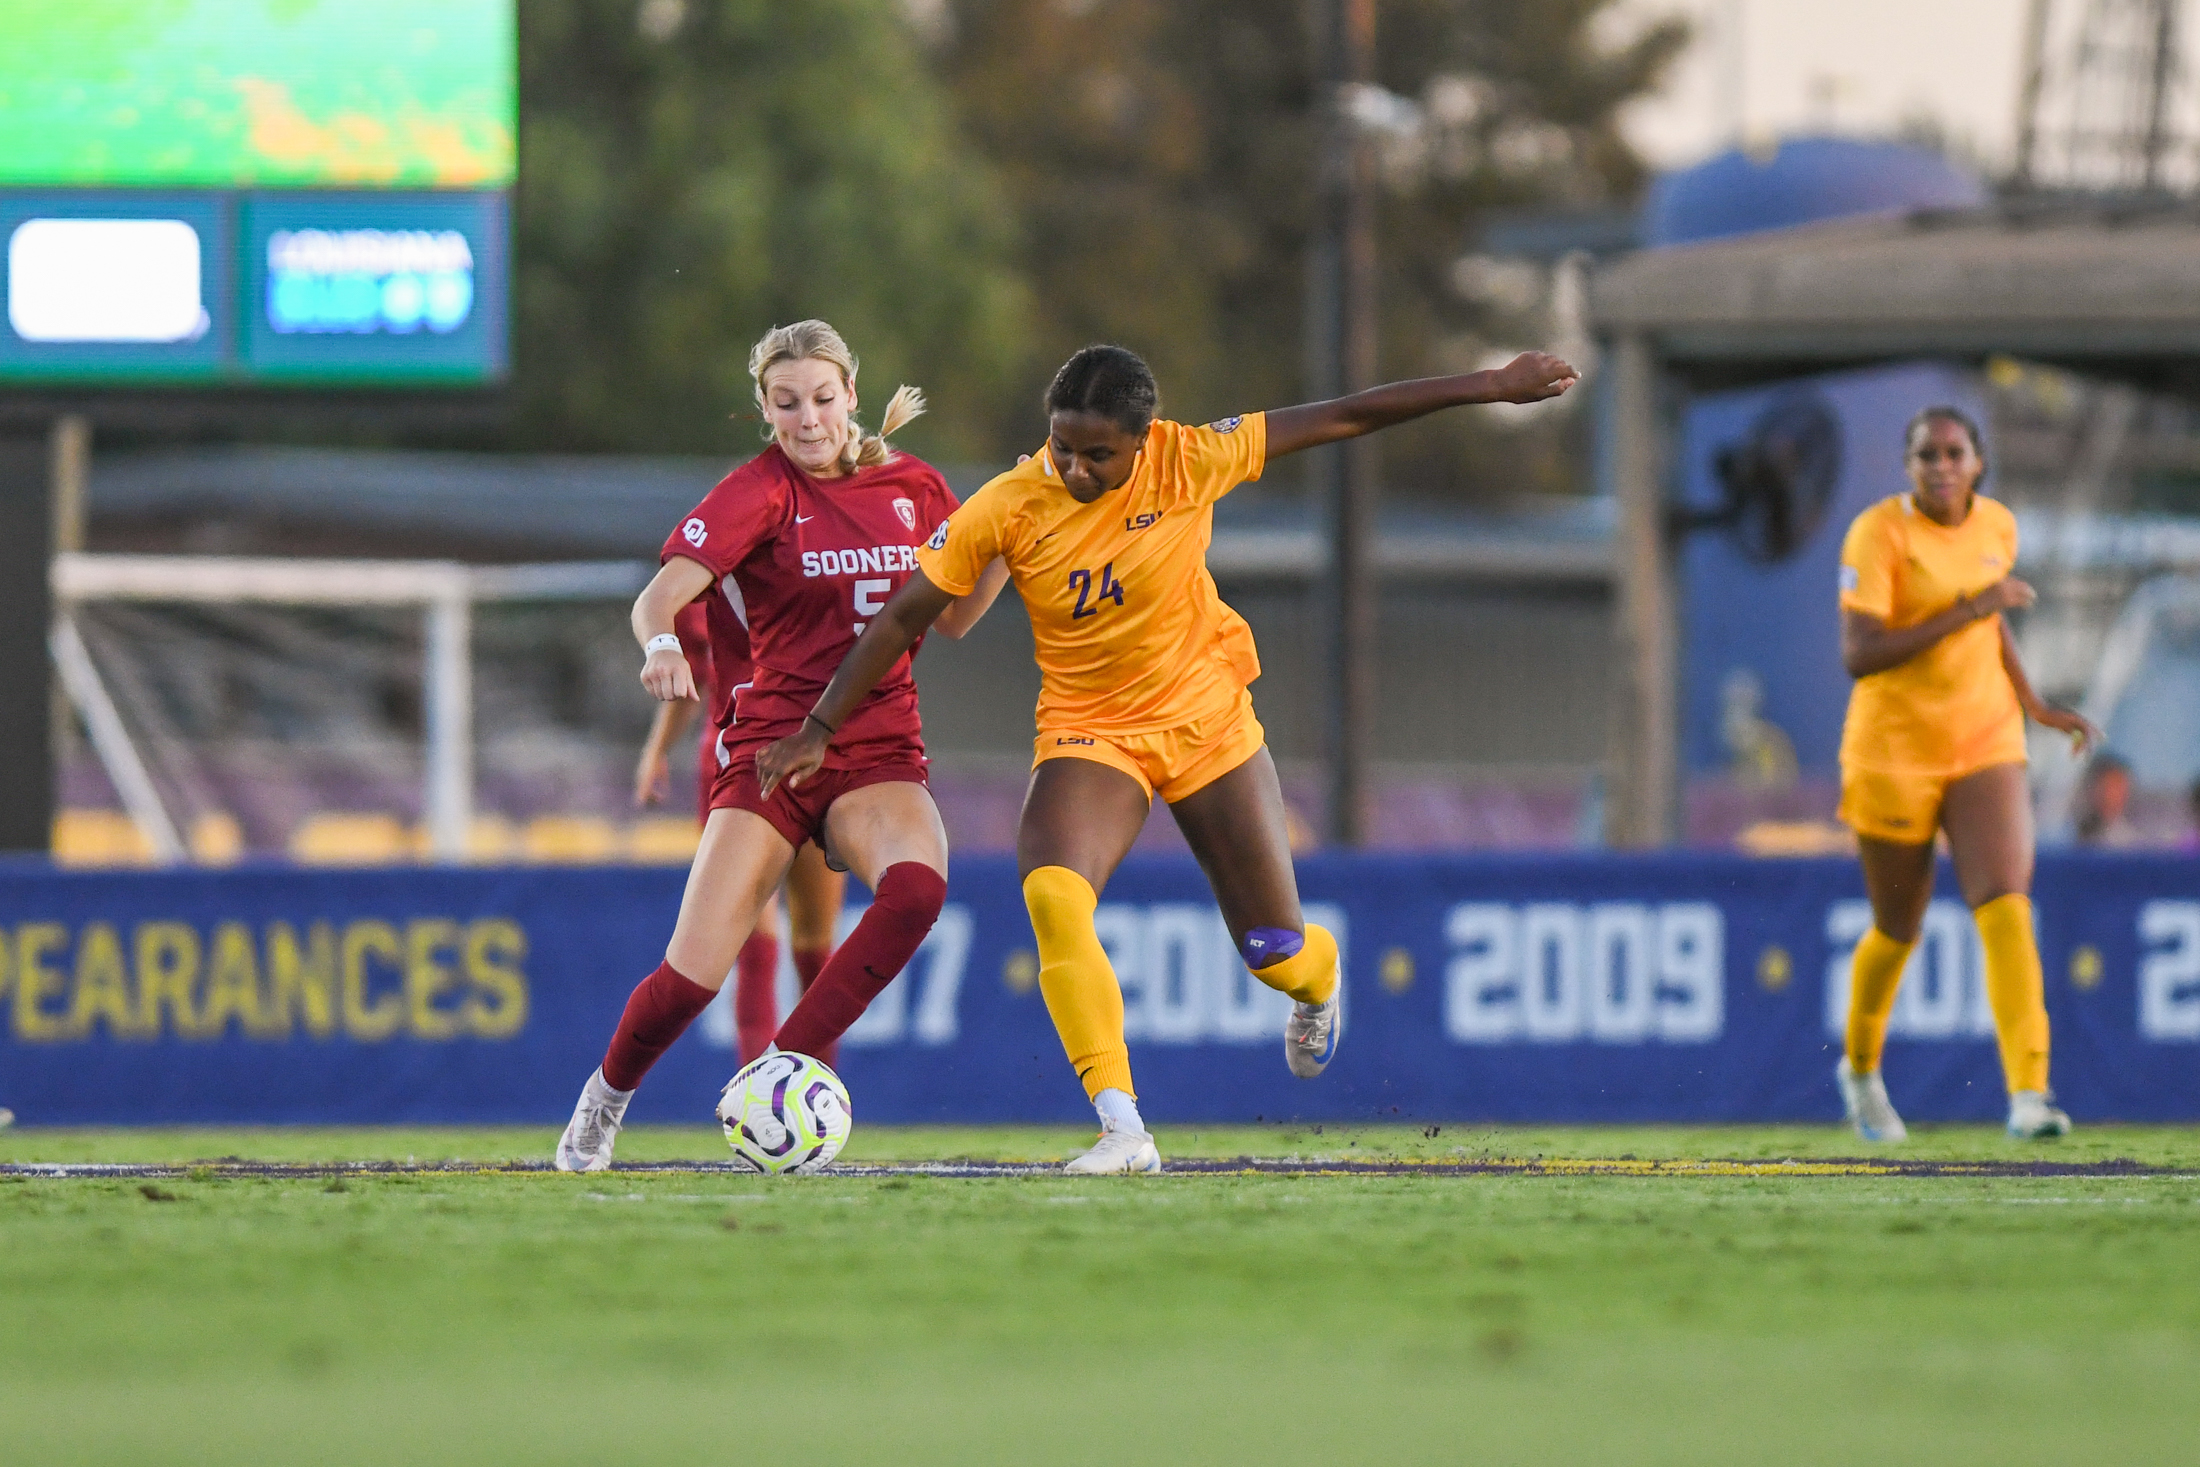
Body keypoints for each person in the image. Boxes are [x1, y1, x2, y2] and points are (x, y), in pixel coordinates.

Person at [759, 342, 1578, 1173]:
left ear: (1143, 441)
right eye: (1061, 446)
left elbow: (1346, 414)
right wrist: (820, 727)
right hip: (1090, 731)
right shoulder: (1008, 503)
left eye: (1097, 453)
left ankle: (1320, 981)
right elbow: (903, 616)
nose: (1074, 467)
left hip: (1208, 724)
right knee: (1051, 891)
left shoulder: (1194, 457)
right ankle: (1124, 1127)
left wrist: (1490, 385)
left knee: (1275, 955)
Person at [557, 319, 1010, 1172]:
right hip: (773, 751)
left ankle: (777, 1074)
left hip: (877, 748)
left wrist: (1011, 539)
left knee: (916, 893)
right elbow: (659, 600)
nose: (808, 419)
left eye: (822, 398)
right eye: (786, 402)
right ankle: (604, 1099)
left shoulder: (915, 485)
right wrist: (659, 649)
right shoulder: (758, 491)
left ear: (852, 394)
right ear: (764, 410)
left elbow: (955, 615)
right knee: (689, 981)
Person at [1832, 406, 2098, 1145]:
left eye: (1954, 453)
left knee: (2007, 904)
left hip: (1984, 740)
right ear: (1908, 465)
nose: (1942, 466)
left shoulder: (1997, 527)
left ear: (1978, 462)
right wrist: (1973, 603)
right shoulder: (1878, 533)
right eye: (1927, 455)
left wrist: (2036, 703)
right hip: (1892, 754)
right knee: (1897, 928)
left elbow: (1992, 623)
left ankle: (2030, 1093)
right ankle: (1860, 1071)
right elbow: (1860, 652)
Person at [633, 599, 848, 1065]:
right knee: (756, 943)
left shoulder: (810, 555)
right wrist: (657, 749)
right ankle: (762, 1106)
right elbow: (693, 672)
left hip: (809, 752)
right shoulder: (701, 572)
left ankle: (818, 1101)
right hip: (737, 763)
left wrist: (656, 751)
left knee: (812, 945)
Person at [2072, 750, 2139, 849]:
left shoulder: (2130, 841)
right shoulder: (2068, 833)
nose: (2112, 796)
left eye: (2118, 788)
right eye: (2107, 788)